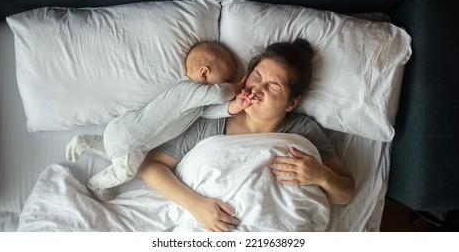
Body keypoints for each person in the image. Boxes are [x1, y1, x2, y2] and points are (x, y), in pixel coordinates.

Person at [139, 39, 356, 232]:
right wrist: (196, 205)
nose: (257, 90)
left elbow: (345, 194)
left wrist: (321, 175)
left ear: (292, 103)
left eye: (273, 87)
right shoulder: (213, 117)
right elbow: (151, 167)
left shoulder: (303, 132)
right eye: (257, 77)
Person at [65, 41, 252, 201]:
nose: (228, 83)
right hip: (133, 141)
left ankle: (86, 142)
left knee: (116, 151)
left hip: (121, 129)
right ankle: (95, 184)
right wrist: (238, 86)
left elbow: (210, 112)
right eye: (225, 79)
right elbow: (220, 94)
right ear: (204, 74)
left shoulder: (193, 100)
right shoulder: (187, 90)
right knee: (126, 171)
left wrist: (236, 106)